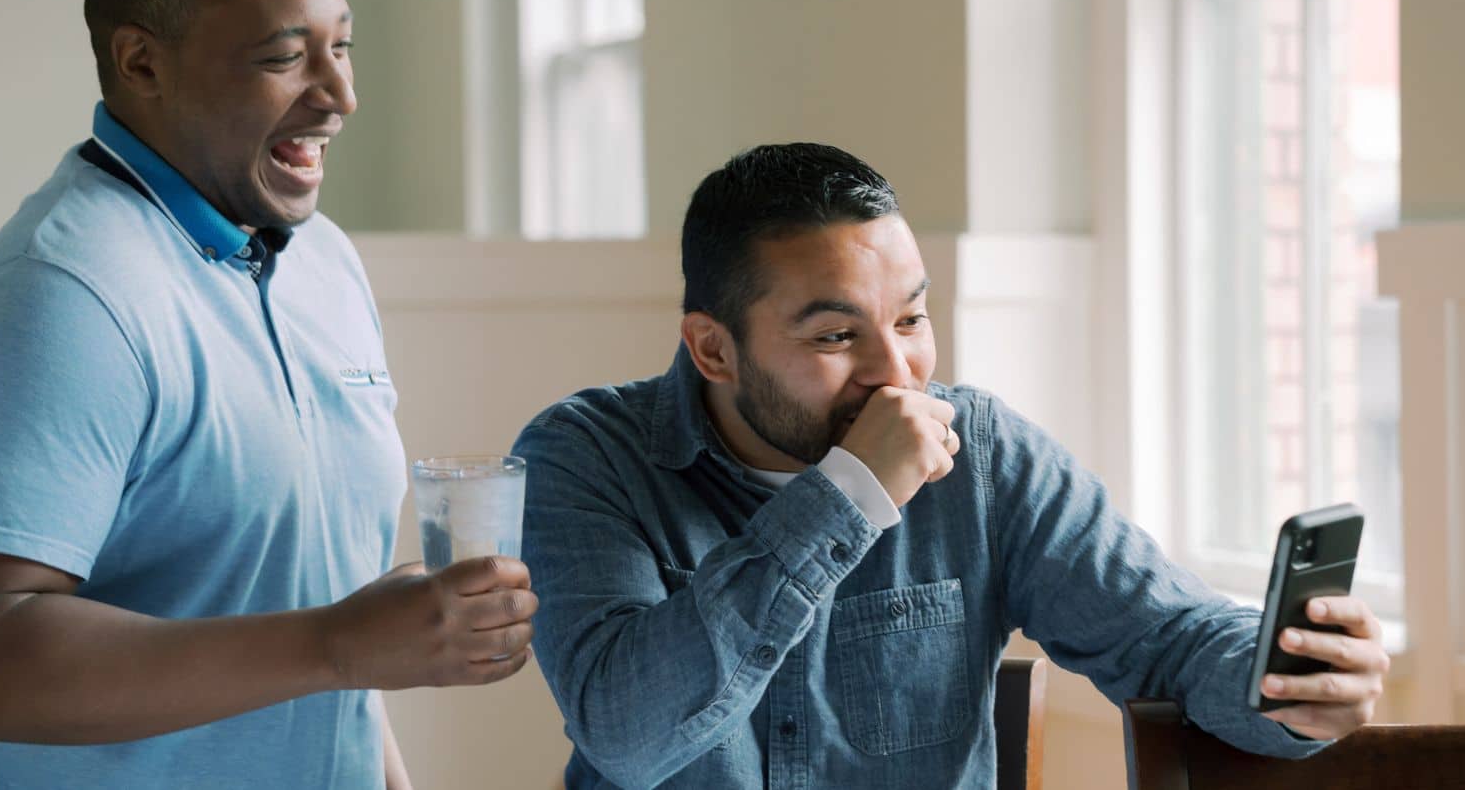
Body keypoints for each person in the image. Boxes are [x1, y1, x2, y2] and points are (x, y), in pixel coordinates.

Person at [514, 143, 1391, 788]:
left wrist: (1289, 680)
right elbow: (627, 736)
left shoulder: (985, 457)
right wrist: (850, 493)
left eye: (910, 321)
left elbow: (1168, 634)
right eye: (833, 336)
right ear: (712, 349)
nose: (895, 377)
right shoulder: (584, 458)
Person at [0, 0, 535, 788]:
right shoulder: (61, 297)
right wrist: (337, 645)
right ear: (141, 63)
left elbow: (326, 636)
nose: (340, 96)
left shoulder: (322, 263)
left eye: (342, 46)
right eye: (285, 57)